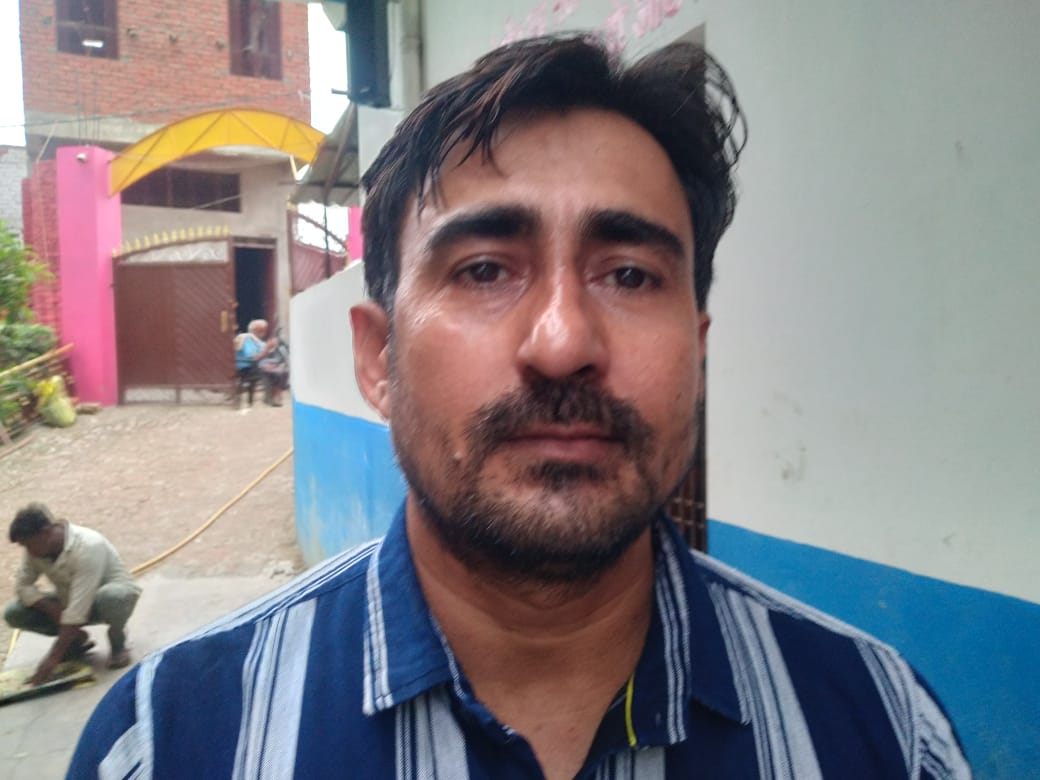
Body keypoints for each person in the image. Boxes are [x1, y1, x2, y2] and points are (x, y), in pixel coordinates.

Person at [69, 35, 971, 778]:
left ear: (697, 355)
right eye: (484, 270)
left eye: (629, 274)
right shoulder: (172, 743)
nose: (563, 341)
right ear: (378, 359)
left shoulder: (887, 734)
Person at [5, 503, 141, 684]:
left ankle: (118, 641)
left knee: (112, 597)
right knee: (14, 612)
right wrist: (52, 609)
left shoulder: (88, 546)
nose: (28, 551)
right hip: (70, 603)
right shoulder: (36, 549)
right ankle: (76, 641)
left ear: (46, 532)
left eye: (29, 544)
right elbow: (22, 586)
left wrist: (52, 658)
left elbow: (78, 610)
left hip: (105, 601)